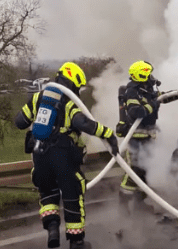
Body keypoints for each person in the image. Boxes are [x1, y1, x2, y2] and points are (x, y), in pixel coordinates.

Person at [14, 62, 119, 249]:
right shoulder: (69, 104)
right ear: (72, 83)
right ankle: (76, 242)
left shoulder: (38, 98)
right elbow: (84, 123)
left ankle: (52, 229)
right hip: (62, 157)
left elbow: (20, 122)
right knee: (72, 196)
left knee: (48, 193)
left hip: (40, 155)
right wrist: (108, 134)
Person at [116, 60, 178, 213]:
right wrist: (154, 104)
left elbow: (163, 97)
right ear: (142, 75)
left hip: (148, 138)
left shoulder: (146, 90)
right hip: (135, 139)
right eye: (149, 74)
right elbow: (136, 112)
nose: (151, 76)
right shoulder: (132, 92)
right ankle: (123, 202)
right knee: (134, 172)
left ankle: (140, 203)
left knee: (145, 170)